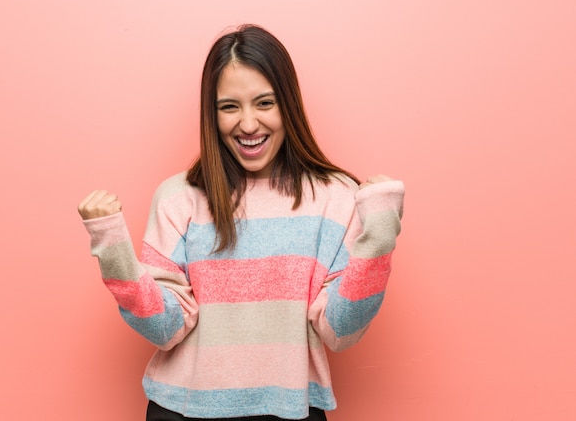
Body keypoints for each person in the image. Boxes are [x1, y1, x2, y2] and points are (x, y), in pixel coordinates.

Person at [78, 24, 405, 421]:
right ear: (211, 114)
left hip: (291, 409)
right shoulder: (179, 197)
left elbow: (340, 331)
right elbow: (164, 329)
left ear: (289, 105)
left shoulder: (335, 198)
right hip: (181, 411)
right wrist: (112, 248)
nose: (248, 125)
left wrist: (381, 234)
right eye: (229, 107)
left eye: (264, 103)